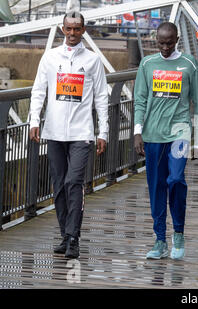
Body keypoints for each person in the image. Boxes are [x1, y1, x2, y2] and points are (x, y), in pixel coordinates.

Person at [29, 11, 109, 259]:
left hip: (81, 133)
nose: (72, 33)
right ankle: (65, 234)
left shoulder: (93, 60)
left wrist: (102, 131)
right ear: (62, 29)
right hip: (53, 132)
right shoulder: (50, 57)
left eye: (77, 29)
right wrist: (34, 120)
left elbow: (102, 98)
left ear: (83, 30)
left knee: (74, 183)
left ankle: (74, 237)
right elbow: (38, 90)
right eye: (68, 29)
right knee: (59, 185)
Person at [133, 22, 198, 260]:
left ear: (177, 40)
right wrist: (137, 132)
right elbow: (140, 100)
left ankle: (179, 232)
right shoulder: (147, 64)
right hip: (153, 135)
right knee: (156, 189)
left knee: (175, 179)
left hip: (180, 133)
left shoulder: (189, 64)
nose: (165, 47)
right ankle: (160, 240)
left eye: (169, 42)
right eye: (161, 43)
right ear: (156, 41)